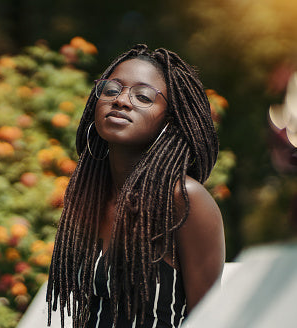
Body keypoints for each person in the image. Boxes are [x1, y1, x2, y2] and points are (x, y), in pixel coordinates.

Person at [46, 44, 225, 328]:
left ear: (169, 118)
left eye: (142, 96)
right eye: (111, 90)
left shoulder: (183, 199)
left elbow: (208, 319)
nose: (121, 100)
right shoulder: (91, 195)